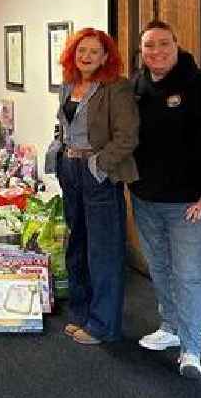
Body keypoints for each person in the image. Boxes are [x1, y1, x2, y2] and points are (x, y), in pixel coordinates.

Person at [129, 20, 201, 380]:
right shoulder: (137, 86)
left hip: (189, 205)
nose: (156, 52)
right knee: (159, 267)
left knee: (187, 275)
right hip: (146, 199)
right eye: (149, 46)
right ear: (140, 51)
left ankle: (191, 349)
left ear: (177, 45)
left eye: (163, 45)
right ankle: (170, 327)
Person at [54, 28, 139, 345]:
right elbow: (64, 125)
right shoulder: (68, 84)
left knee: (104, 250)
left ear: (106, 56)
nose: (86, 56)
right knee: (77, 245)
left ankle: (104, 325)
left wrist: (97, 166)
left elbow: (127, 137)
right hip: (70, 169)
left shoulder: (116, 88)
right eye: (81, 50)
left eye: (94, 51)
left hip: (98, 173)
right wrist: (59, 156)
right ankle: (81, 313)